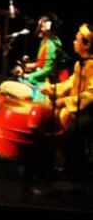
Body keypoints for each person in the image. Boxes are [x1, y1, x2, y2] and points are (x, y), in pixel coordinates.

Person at [40, 23, 93, 183]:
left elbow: (90, 95)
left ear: (87, 44)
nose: (74, 42)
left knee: (73, 130)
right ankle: (59, 163)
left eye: (77, 40)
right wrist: (53, 89)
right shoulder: (80, 64)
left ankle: (75, 174)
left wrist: (64, 101)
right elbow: (70, 83)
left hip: (90, 111)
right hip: (79, 107)